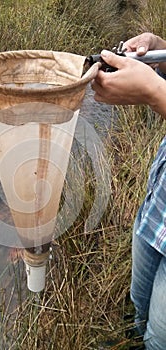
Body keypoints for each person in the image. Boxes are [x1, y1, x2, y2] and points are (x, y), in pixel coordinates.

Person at [92, 32, 166, 350]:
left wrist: (153, 91)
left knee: (158, 338)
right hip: (158, 210)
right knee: (138, 306)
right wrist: (159, 50)